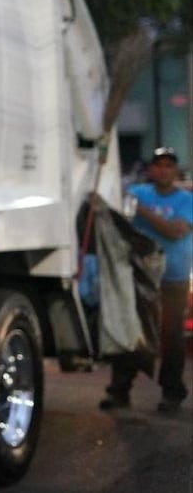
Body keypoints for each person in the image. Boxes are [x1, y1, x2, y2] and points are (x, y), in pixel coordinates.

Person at [100, 146, 192, 414]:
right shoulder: (137, 192)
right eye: (159, 165)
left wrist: (141, 210)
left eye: (168, 165)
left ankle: (172, 393)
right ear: (151, 169)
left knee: (172, 336)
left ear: (175, 170)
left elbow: (176, 231)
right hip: (139, 278)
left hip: (173, 278)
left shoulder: (185, 200)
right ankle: (119, 391)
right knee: (130, 331)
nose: (163, 170)